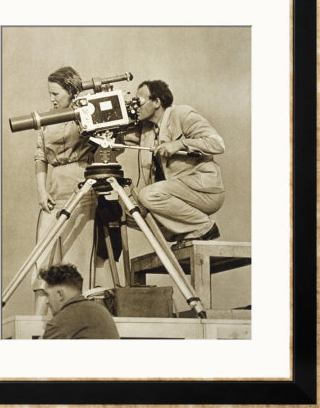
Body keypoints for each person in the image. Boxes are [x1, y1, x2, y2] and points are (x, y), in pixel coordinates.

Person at [32, 66, 98, 315]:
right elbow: (40, 156)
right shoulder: (46, 120)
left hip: (81, 183)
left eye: (56, 93)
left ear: (71, 91)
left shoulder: (85, 114)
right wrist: (41, 190)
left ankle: (72, 320)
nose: (52, 99)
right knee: (44, 256)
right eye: (50, 93)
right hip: (54, 187)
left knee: (75, 258)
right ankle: (35, 325)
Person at [125, 79, 225, 241]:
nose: (135, 107)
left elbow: (217, 144)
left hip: (203, 191)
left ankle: (203, 226)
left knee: (149, 195)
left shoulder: (182, 114)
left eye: (139, 102)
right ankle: (185, 233)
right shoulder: (147, 129)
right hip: (173, 194)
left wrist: (180, 144)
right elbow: (119, 138)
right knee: (128, 214)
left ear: (156, 102)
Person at [39, 264, 120, 339]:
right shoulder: (102, 311)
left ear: (60, 294)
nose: (47, 301)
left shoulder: (59, 323)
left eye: (47, 295)